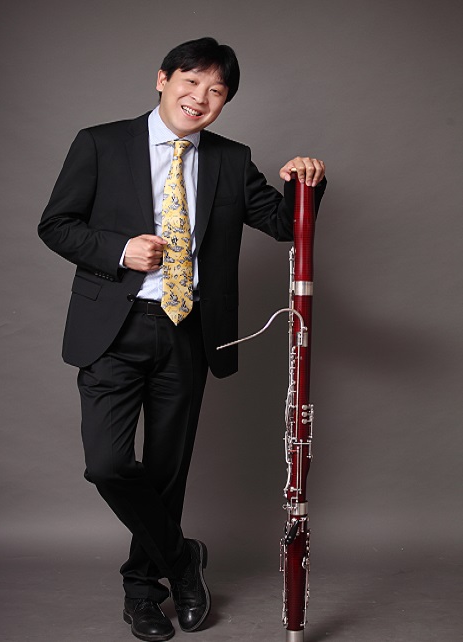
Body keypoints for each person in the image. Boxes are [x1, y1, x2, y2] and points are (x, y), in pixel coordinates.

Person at [38, 37, 326, 642]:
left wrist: (307, 183)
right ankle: (182, 560)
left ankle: (143, 592)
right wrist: (120, 250)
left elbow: (282, 224)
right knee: (109, 464)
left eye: (216, 91)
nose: (200, 98)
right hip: (111, 330)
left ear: (225, 103)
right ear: (163, 79)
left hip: (186, 330)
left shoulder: (230, 159)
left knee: (168, 472)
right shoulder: (101, 143)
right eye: (191, 82)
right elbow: (56, 225)